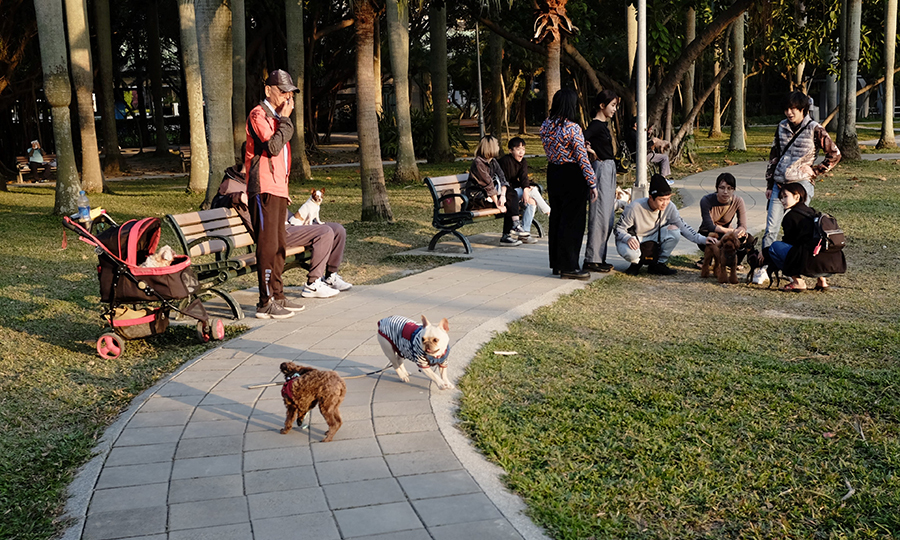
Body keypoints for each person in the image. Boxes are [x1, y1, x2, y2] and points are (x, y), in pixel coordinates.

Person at [214, 146, 352, 304]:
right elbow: (216, 203)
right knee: (325, 232)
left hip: (289, 221)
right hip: (276, 231)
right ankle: (313, 284)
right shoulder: (232, 182)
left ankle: (330, 277)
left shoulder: (261, 176)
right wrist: (238, 197)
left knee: (338, 230)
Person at [245, 69, 305, 319]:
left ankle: (278, 294)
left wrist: (285, 188)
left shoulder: (278, 118)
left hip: (278, 188)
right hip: (263, 188)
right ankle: (265, 300)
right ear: (269, 90)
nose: (286, 97)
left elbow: (282, 156)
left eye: (290, 93)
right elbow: (272, 145)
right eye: (282, 91)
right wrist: (286, 120)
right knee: (268, 245)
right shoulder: (259, 114)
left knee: (280, 244)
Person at [763, 91, 841, 249]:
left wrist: (816, 170)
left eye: (793, 109)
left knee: (798, 225)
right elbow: (774, 157)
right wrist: (770, 185)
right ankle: (765, 264)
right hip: (779, 184)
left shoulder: (815, 128)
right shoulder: (781, 127)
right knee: (771, 228)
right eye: (786, 109)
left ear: (803, 109)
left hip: (801, 184)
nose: (789, 113)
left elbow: (835, 154)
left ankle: (796, 263)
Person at [540, 88, 598, 280]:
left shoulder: (546, 125)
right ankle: (570, 266)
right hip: (572, 175)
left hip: (554, 172)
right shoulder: (572, 128)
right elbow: (582, 158)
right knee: (572, 222)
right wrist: (592, 183)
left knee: (557, 218)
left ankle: (557, 263)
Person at [614, 174, 716, 276]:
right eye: (661, 200)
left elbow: (683, 227)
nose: (665, 203)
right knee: (631, 254)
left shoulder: (670, 207)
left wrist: (703, 239)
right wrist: (627, 238)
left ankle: (659, 264)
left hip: (654, 237)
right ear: (651, 198)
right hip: (634, 238)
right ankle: (635, 264)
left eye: (668, 199)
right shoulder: (635, 207)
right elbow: (618, 229)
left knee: (675, 231)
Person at [765, 182, 845, 291]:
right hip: (831, 266)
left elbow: (789, 243)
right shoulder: (814, 212)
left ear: (797, 196)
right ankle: (822, 281)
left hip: (810, 266)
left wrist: (765, 251)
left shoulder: (790, 216)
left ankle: (798, 282)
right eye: (781, 198)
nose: (782, 200)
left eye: (785, 196)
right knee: (814, 246)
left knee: (775, 247)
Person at [582, 89, 619, 273]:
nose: (615, 110)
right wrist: (592, 153)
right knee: (599, 215)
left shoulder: (603, 125)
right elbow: (580, 140)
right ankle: (592, 259)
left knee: (608, 216)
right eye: (612, 105)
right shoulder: (596, 125)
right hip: (601, 169)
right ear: (602, 105)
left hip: (609, 169)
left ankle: (599, 257)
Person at [467, 135, 523, 246]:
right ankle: (509, 232)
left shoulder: (493, 161)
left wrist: (502, 196)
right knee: (509, 201)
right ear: (490, 147)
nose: (498, 147)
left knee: (510, 194)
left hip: (491, 196)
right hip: (478, 198)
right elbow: (488, 185)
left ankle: (514, 226)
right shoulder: (478, 163)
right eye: (496, 144)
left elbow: (502, 178)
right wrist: (498, 204)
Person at [497, 137, 551, 244]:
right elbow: (505, 182)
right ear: (510, 150)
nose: (521, 152)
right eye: (518, 149)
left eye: (523, 149)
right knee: (533, 190)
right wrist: (525, 189)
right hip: (506, 193)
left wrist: (525, 190)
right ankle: (548, 211)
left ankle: (525, 233)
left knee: (532, 201)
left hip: (514, 191)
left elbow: (524, 178)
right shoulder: (506, 161)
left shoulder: (523, 162)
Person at [695, 172, 749, 267]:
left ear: (734, 189)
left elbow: (743, 225)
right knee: (711, 238)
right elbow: (710, 226)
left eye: (730, 188)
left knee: (748, 239)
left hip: (727, 233)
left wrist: (740, 231)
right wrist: (732, 231)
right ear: (717, 188)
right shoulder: (706, 200)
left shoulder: (738, 201)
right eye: (722, 188)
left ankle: (735, 262)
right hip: (709, 232)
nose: (725, 192)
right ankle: (709, 258)